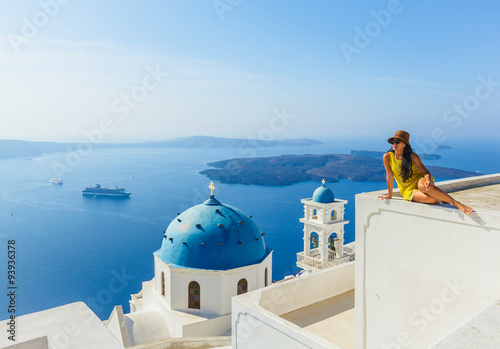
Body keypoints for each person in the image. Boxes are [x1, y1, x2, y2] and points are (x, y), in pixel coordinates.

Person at [379, 130, 473, 215]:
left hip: (420, 180)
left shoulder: (413, 156)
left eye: (397, 141)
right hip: (407, 189)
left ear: (404, 144)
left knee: (423, 186)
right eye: (393, 141)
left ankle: (456, 203)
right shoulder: (387, 156)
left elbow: (425, 171)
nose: (394, 144)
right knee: (433, 199)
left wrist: (428, 180)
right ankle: (442, 198)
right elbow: (390, 176)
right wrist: (389, 195)